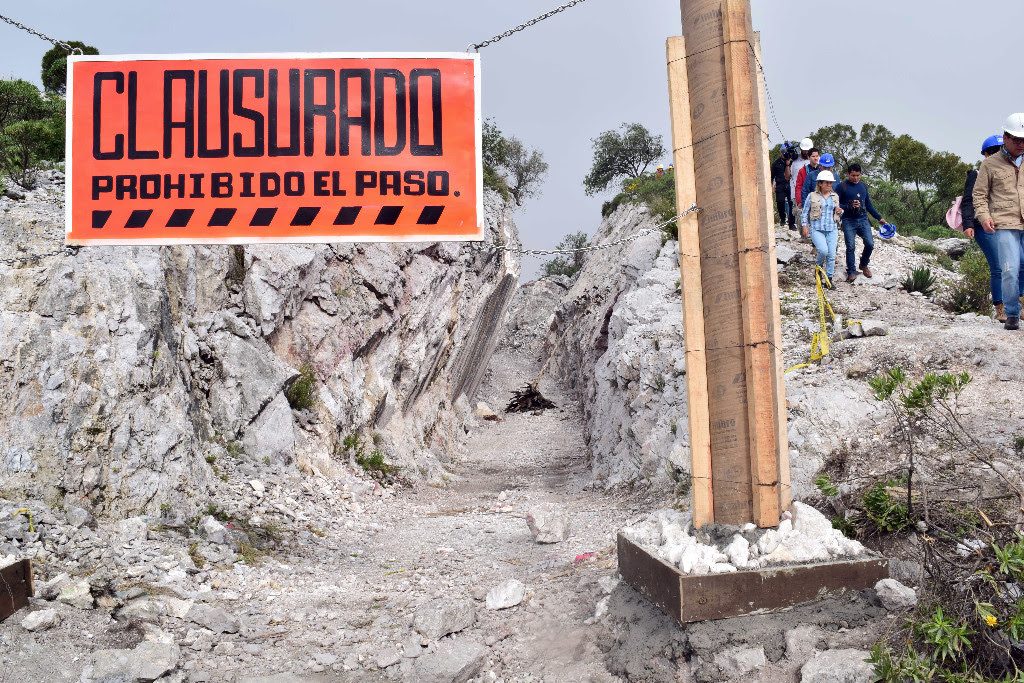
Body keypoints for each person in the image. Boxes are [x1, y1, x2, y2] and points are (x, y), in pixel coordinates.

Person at [973, 113, 1024, 330]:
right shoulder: (990, 165)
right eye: (1017, 140)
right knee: (1010, 269)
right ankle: (1012, 313)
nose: (1021, 144)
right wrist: (984, 217)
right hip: (1004, 224)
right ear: (1005, 137)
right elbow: (979, 195)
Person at [962, 134, 1016, 322]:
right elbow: (969, 200)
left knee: (1018, 264)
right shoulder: (977, 174)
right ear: (985, 154)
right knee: (998, 266)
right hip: (982, 226)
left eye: (999, 150)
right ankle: (1000, 309)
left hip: (1006, 224)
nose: (996, 154)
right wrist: (968, 224)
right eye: (992, 151)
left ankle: (1016, 305)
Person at [835, 163, 886, 282]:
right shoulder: (841, 187)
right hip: (848, 220)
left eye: (858, 175)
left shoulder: (863, 186)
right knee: (850, 246)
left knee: (870, 244)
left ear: (861, 174)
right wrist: (849, 205)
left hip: (863, 219)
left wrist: (879, 217)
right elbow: (835, 204)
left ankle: (863, 264)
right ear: (848, 174)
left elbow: (868, 204)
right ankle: (851, 271)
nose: (856, 178)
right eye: (853, 175)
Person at [802, 170, 843, 288]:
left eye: (831, 183)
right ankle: (818, 268)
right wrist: (805, 225)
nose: (829, 185)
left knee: (831, 255)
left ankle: (829, 280)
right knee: (823, 251)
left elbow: (838, 213)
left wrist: (840, 212)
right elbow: (804, 213)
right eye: (827, 183)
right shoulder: (812, 196)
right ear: (820, 183)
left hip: (832, 228)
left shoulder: (835, 196)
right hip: (817, 228)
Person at [771, 142, 797, 230]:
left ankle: (791, 223)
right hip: (780, 185)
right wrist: (771, 186)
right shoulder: (775, 164)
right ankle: (782, 218)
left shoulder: (793, 162)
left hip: (790, 184)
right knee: (780, 202)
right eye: (783, 152)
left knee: (791, 203)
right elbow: (771, 176)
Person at [791, 138, 813, 226]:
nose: (806, 152)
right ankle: (803, 235)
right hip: (797, 191)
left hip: (811, 191)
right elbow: (788, 176)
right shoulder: (794, 161)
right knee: (800, 214)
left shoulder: (815, 161)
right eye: (804, 150)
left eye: (808, 150)